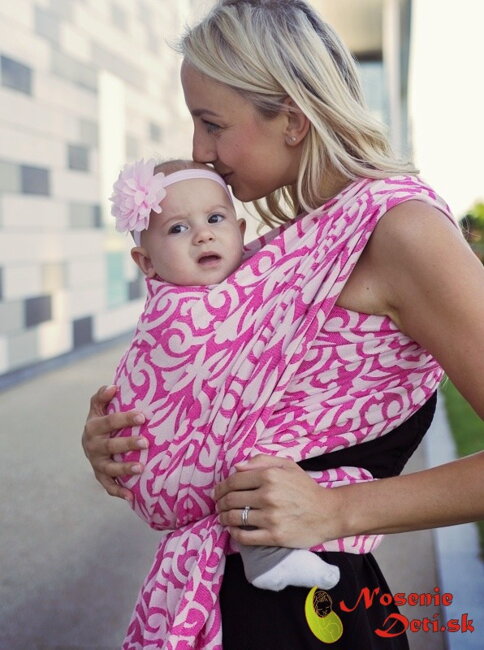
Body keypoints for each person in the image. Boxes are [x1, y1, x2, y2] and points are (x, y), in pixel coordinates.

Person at [82, 1, 484, 648]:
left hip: (315, 608)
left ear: (292, 120)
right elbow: (227, 401)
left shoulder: (401, 232)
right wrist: (130, 435)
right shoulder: (283, 244)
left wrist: (337, 509)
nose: (198, 151)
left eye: (211, 124)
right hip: (227, 596)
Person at [108, 156, 341, 593]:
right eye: (177, 228)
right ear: (146, 262)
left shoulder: (236, 286)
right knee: (251, 438)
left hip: (152, 465)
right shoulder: (175, 312)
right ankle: (267, 554)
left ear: (241, 233)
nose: (203, 234)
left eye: (216, 218)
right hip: (165, 464)